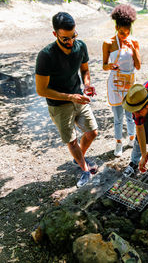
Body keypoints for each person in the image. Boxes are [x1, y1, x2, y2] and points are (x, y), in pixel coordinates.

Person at [35, 12, 98, 188]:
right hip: (59, 104)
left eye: (73, 36)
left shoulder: (80, 46)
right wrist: (70, 96)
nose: (70, 42)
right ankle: (85, 171)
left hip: (78, 97)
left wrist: (86, 85)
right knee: (71, 141)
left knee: (92, 132)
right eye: (65, 39)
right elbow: (41, 90)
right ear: (55, 34)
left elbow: (85, 70)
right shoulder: (46, 56)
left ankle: (78, 158)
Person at [102, 4, 141, 157]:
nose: (124, 35)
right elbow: (104, 66)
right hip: (116, 83)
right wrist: (110, 65)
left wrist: (135, 49)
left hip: (130, 83)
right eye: (121, 32)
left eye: (127, 32)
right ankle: (118, 142)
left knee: (130, 114)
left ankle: (132, 138)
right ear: (116, 27)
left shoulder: (134, 42)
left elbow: (137, 66)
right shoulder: (108, 43)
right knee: (118, 116)